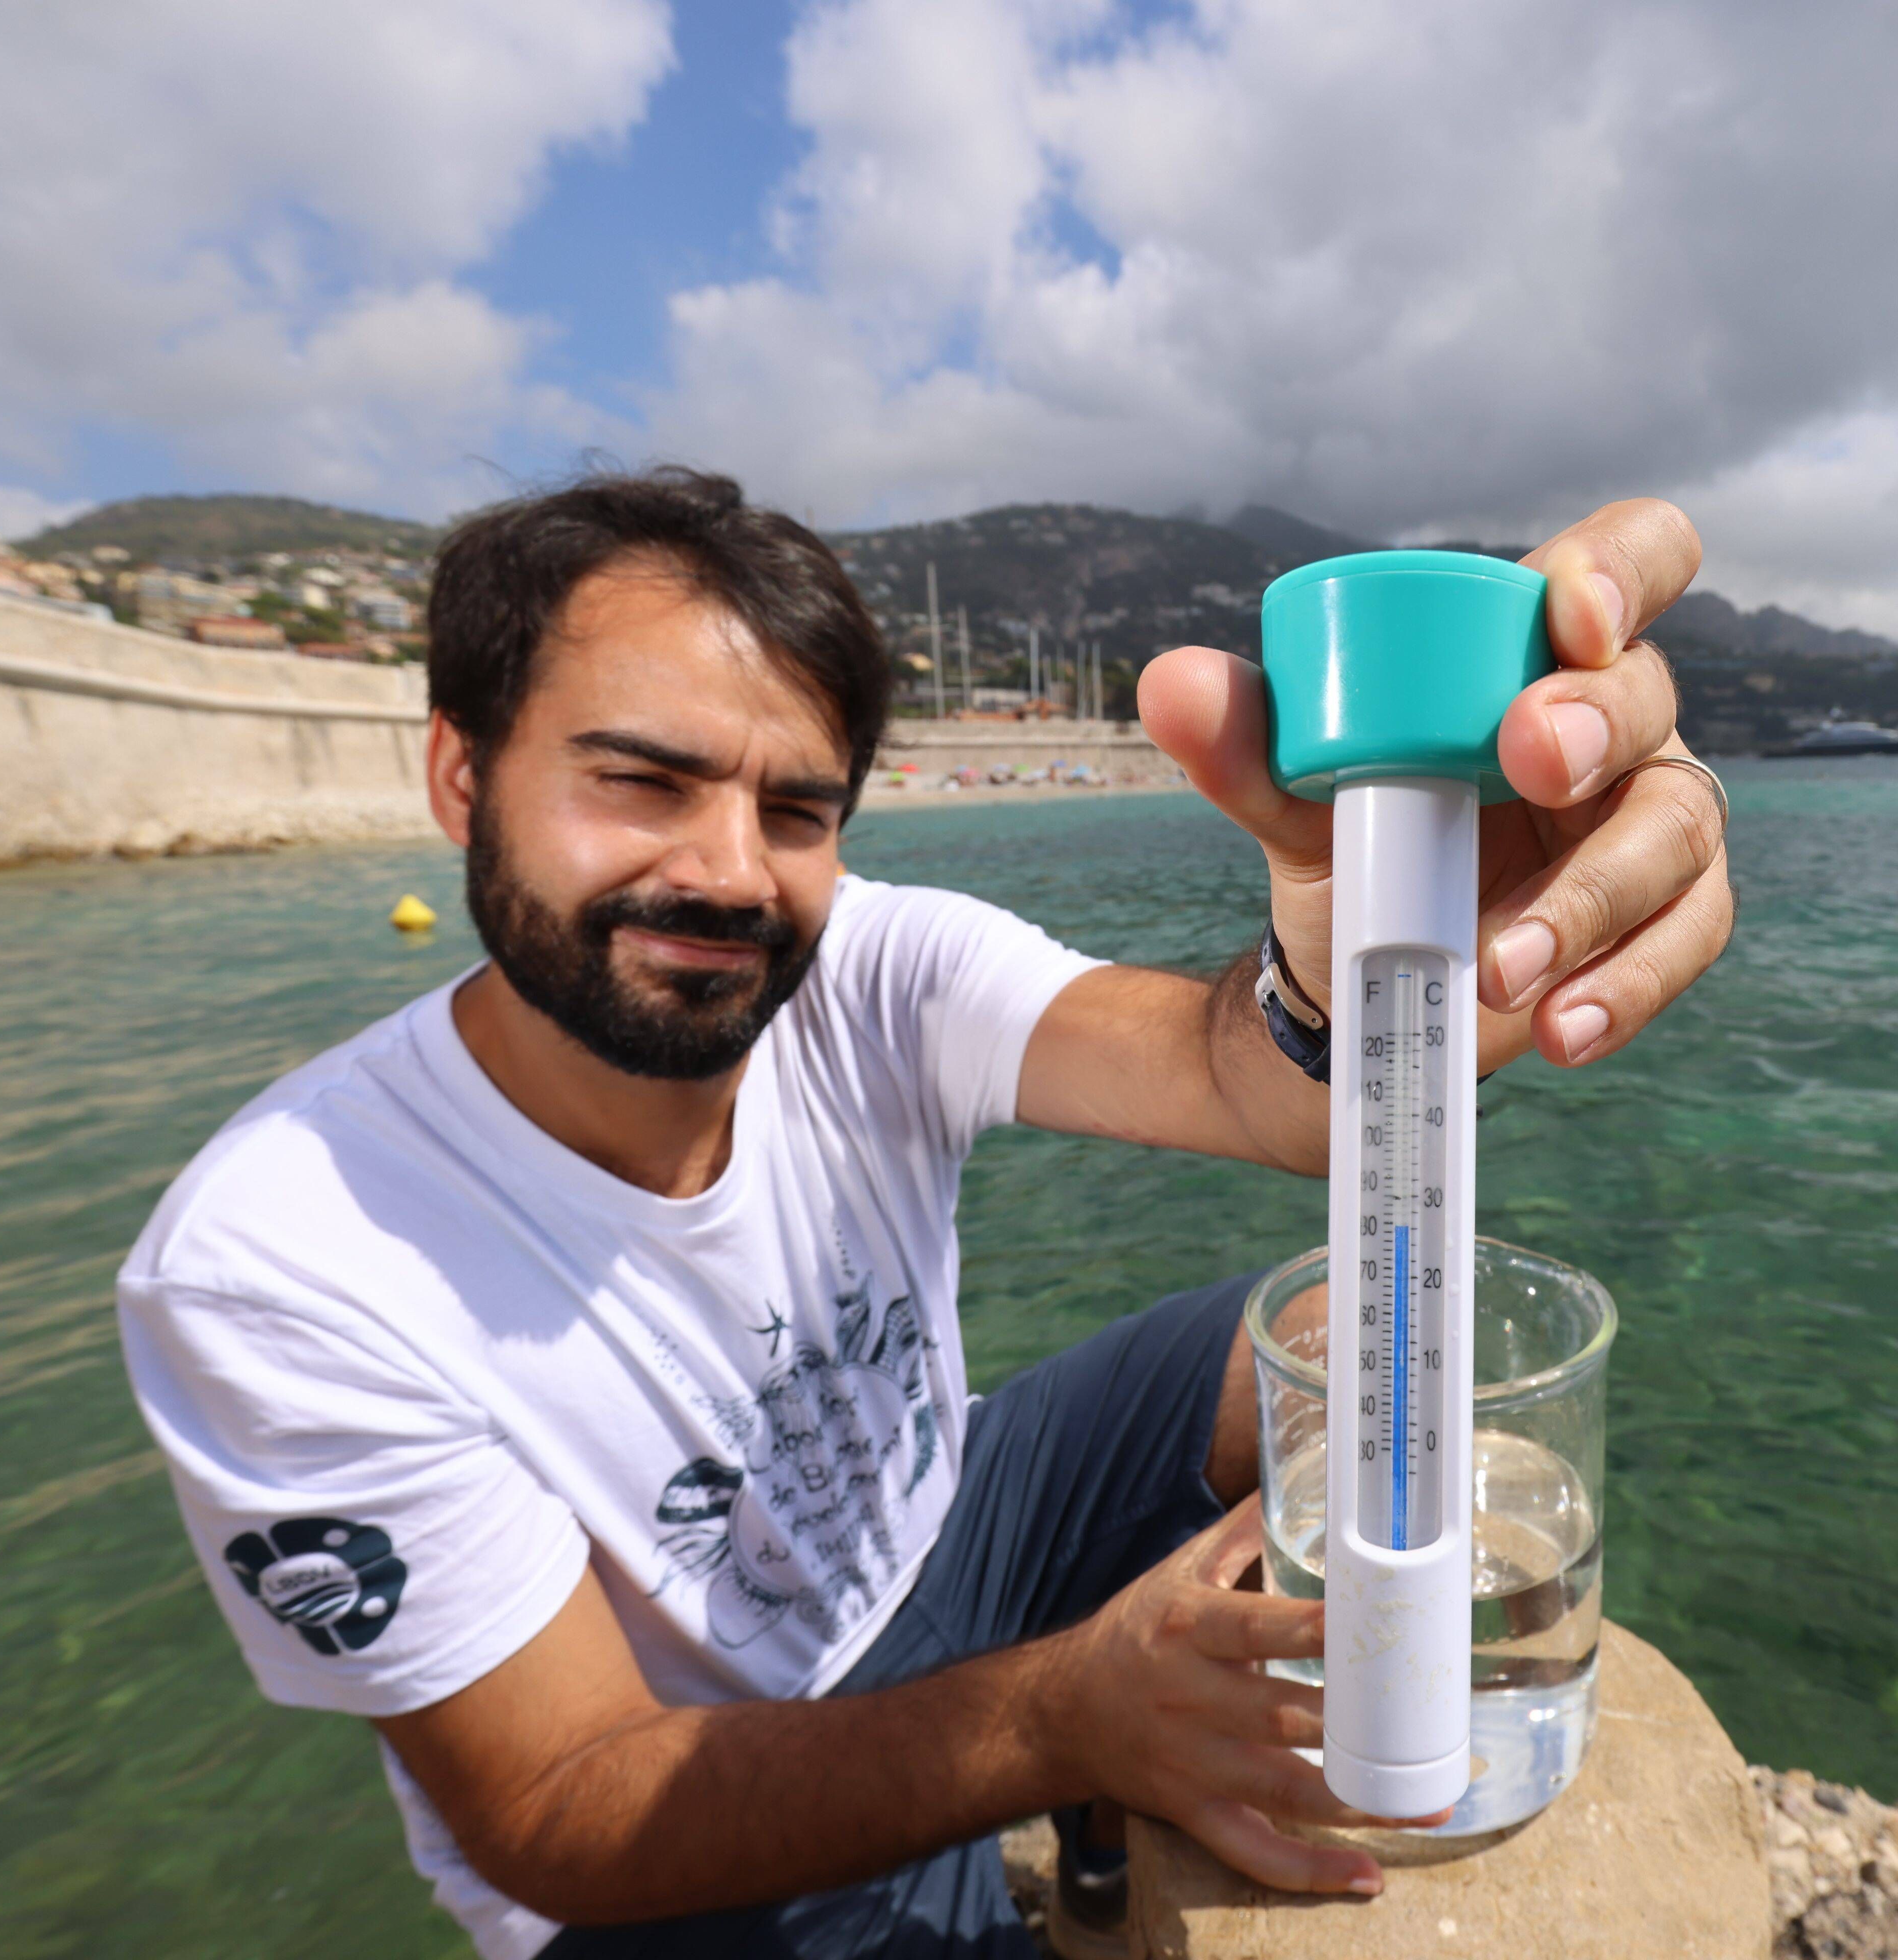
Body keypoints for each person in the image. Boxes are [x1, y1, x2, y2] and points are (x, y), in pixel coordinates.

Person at [115, 468, 1732, 1960]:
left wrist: (1400, 935)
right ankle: (1099, 1800)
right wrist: (1056, 1722)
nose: (730, 872)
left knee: (1333, 1328)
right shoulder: (278, 1262)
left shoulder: (862, 966)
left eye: (798, 810)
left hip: (941, 1523)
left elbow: (1246, 1077)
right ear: (461, 773)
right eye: (641, 781)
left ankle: (1098, 1846)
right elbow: (557, 1814)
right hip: (691, 1804)